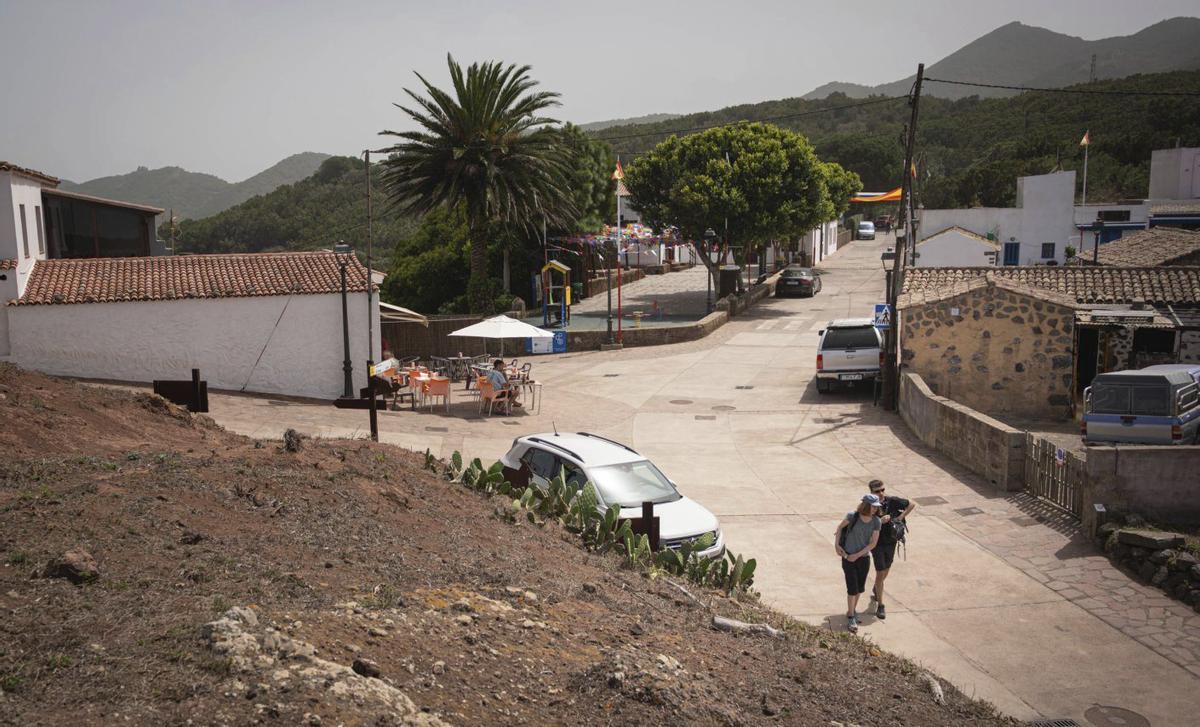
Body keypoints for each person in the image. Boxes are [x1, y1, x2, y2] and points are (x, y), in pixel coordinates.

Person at [867, 479, 915, 621]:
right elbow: (863, 523)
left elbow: (911, 504)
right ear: (871, 492)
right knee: (880, 571)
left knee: (887, 568)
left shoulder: (892, 501)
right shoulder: (868, 505)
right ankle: (881, 604)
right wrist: (879, 521)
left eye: (883, 490)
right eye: (877, 491)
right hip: (876, 543)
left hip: (891, 541)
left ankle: (877, 588)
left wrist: (900, 517)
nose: (881, 493)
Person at [835, 494, 883, 633]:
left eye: (876, 507)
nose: (875, 509)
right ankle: (851, 616)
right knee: (852, 588)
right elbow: (839, 529)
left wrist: (857, 555)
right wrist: (837, 546)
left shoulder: (876, 522)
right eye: (873, 506)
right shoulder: (852, 516)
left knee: (859, 588)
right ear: (866, 505)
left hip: (863, 558)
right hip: (848, 557)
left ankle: (852, 610)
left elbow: (873, 543)